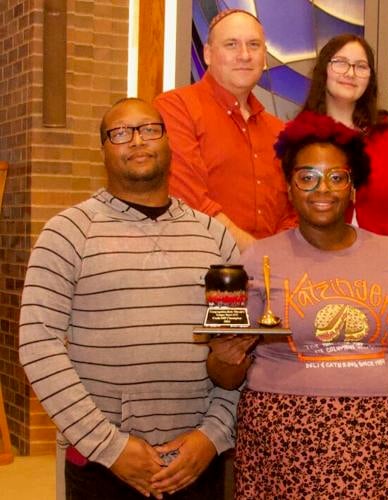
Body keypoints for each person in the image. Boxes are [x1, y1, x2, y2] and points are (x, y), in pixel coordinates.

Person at [207, 111, 388, 498]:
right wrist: (224, 356)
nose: (323, 189)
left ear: (353, 187)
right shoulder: (256, 262)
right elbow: (226, 375)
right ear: (289, 185)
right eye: (308, 177)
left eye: (337, 177)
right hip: (284, 459)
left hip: (386, 456)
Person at [19, 98, 241, 499]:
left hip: (195, 461)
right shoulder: (67, 232)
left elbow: (238, 347)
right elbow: (39, 345)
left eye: (149, 129)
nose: (137, 141)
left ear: (169, 141)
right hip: (103, 466)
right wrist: (110, 446)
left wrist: (212, 436)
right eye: (120, 133)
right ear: (103, 149)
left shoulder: (214, 237)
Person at [153, 9, 297, 250]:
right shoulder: (176, 108)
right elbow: (189, 201)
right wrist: (257, 255)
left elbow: (293, 210)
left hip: (271, 275)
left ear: (264, 57)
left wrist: (275, 260)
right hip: (200, 270)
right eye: (231, 44)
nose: (244, 55)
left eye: (254, 45)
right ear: (208, 54)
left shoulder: (279, 130)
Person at [302, 34, 388, 241]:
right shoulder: (301, 136)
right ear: (323, 70)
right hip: (319, 262)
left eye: (361, 66)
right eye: (340, 63)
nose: (350, 73)